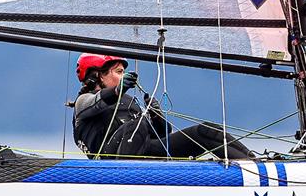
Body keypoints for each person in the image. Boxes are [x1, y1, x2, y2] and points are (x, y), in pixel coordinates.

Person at [72, 53, 252, 160]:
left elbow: (161, 134)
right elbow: (96, 103)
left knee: (207, 131)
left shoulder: (128, 102)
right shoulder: (83, 101)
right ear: (98, 75)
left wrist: (157, 117)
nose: (124, 75)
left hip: (145, 154)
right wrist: (119, 89)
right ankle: (126, 177)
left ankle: (255, 164)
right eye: (119, 72)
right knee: (138, 125)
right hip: (109, 163)